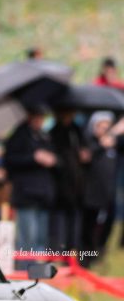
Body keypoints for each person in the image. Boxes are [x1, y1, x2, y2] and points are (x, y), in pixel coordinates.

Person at [5, 105, 57, 258]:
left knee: (41, 239)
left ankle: (38, 273)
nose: (40, 120)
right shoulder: (19, 135)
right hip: (25, 195)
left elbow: (55, 158)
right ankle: (25, 272)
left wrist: (52, 160)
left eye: (42, 117)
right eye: (37, 116)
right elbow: (10, 160)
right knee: (27, 240)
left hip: (43, 195)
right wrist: (33, 158)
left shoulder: (44, 136)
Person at [82, 112, 123, 259]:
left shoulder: (114, 145)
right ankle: (84, 258)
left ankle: (97, 252)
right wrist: (108, 137)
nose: (105, 129)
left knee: (107, 226)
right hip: (91, 195)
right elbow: (87, 156)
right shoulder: (90, 142)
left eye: (108, 126)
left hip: (108, 195)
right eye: (101, 126)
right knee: (88, 228)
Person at [49, 108, 89, 252]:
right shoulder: (54, 132)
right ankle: (59, 252)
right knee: (59, 224)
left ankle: (73, 254)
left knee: (75, 224)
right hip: (60, 186)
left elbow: (84, 150)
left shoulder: (77, 131)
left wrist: (84, 154)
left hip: (77, 185)